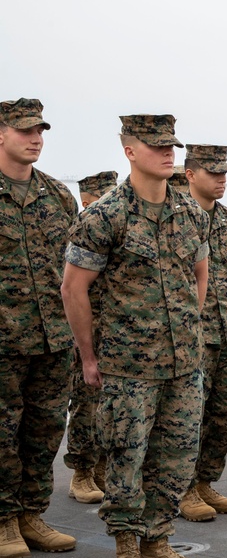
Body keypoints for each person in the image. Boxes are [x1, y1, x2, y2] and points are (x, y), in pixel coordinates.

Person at [61, 114, 211, 558]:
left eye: (172, 146)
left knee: (178, 456)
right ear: (129, 151)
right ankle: (128, 553)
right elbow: (73, 289)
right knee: (127, 458)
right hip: (128, 367)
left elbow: (201, 275)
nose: (169, 153)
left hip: (184, 365)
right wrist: (89, 356)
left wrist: (188, 331)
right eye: (156, 146)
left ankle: (158, 544)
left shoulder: (191, 214)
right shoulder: (104, 215)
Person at [0, 98, 79, 558]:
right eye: (26, 131)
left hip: (54, 338)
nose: (35, 139)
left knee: (45, 428)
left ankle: (31, 513)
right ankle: (4, 519)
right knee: (2, 433)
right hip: (4, 341)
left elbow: (77, 270)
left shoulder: (57, 196)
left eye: (40, 132)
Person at [178, 144, 227, 522]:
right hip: (190, 336)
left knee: (224, 415)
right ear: (190, 174)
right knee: (187, 416)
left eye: (224, 173)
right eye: (213, 172)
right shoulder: (177, 218)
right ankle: (183, 488)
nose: (221, 179)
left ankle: (205, 481)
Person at [64, 170, 118, 504]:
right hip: (83, 332)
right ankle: (81, 473)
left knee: (109, 408)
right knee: (85, 405)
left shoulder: (115, 232)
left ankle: (100, 468)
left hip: (114, 332)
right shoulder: (75, 237)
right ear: (86, 202)